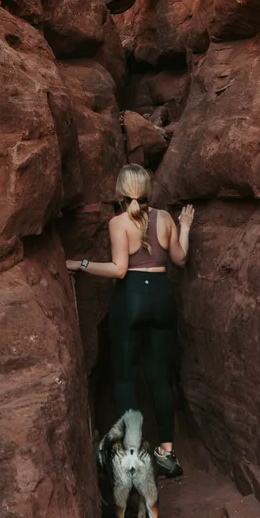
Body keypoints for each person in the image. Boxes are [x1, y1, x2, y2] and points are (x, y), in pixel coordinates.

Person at [67, 164, 194, 478]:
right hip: (163, 297)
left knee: (124, 380)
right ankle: (168, 455)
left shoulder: (118, 222)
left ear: (120, 193)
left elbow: (119, 269)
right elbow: (180, 260)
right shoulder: (164, 218)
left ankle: (134, 459)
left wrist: (80, 263)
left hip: (131, 298)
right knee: (159, 378)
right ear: (148, 190)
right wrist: (186, 226)